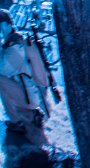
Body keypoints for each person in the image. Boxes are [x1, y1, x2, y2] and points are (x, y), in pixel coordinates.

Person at [0, 10, 47, 146]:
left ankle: (17, 122)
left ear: (8, 24)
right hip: (30, 92)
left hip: (29, 95)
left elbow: (3, 69)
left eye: (1, 25)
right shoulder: (14, 40)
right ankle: (32, 114)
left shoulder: (16, 45)